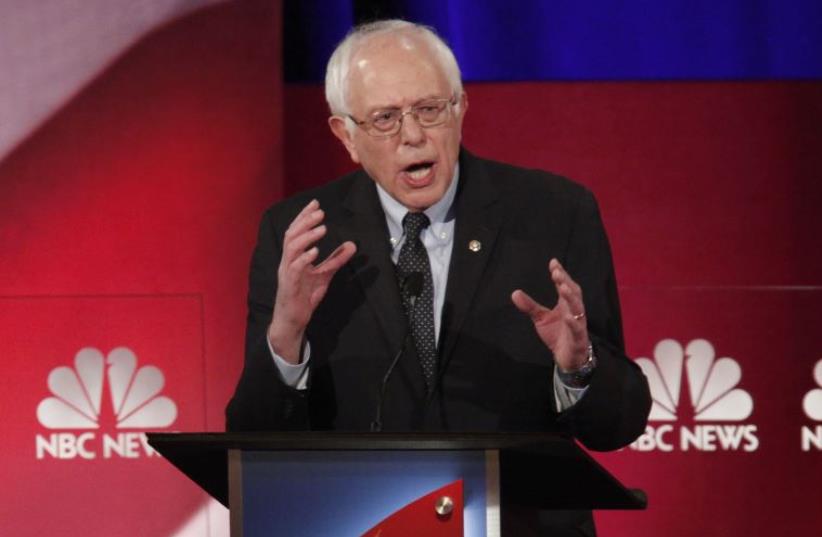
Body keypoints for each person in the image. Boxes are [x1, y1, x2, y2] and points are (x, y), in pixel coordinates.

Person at [227, 19, 650, 536]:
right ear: (347, 136)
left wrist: (579, 367)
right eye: (384, 118)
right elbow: (252, 439)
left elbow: (620, 425)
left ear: (461, 109)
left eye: (430, 109)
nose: (412, 135)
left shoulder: (554, 216)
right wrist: (286, 334)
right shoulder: (300, 235)